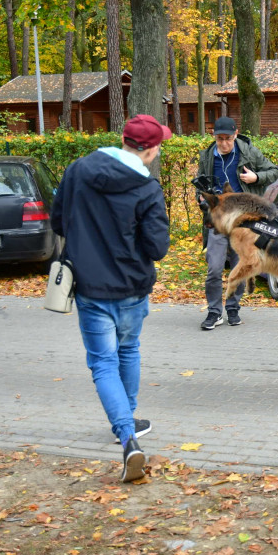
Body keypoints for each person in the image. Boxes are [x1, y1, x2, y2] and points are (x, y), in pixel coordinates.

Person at [51, 115, 171, 483]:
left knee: (103, 362)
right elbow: (158, 246)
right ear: (149, 150)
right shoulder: (147, 189)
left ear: (123, 139)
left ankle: (127, 433)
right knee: (129, 350)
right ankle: (128, 425)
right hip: (132, 287)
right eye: (159, 145)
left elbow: (58, 222)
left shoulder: (77, 171)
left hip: (90, 287)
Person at [195, 116, 278, 331]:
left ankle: (233, 308)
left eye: (228, 139)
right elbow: (200, 183)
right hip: (219, 221)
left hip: (243, 222)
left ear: (235, 134)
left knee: (239, 267)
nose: (223, 143)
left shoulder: (250, 152)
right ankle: (214, 312)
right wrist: (201, 198)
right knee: (214, 268)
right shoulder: (207, 155)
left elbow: (274, 172)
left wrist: (256, 177)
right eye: (219, 138)